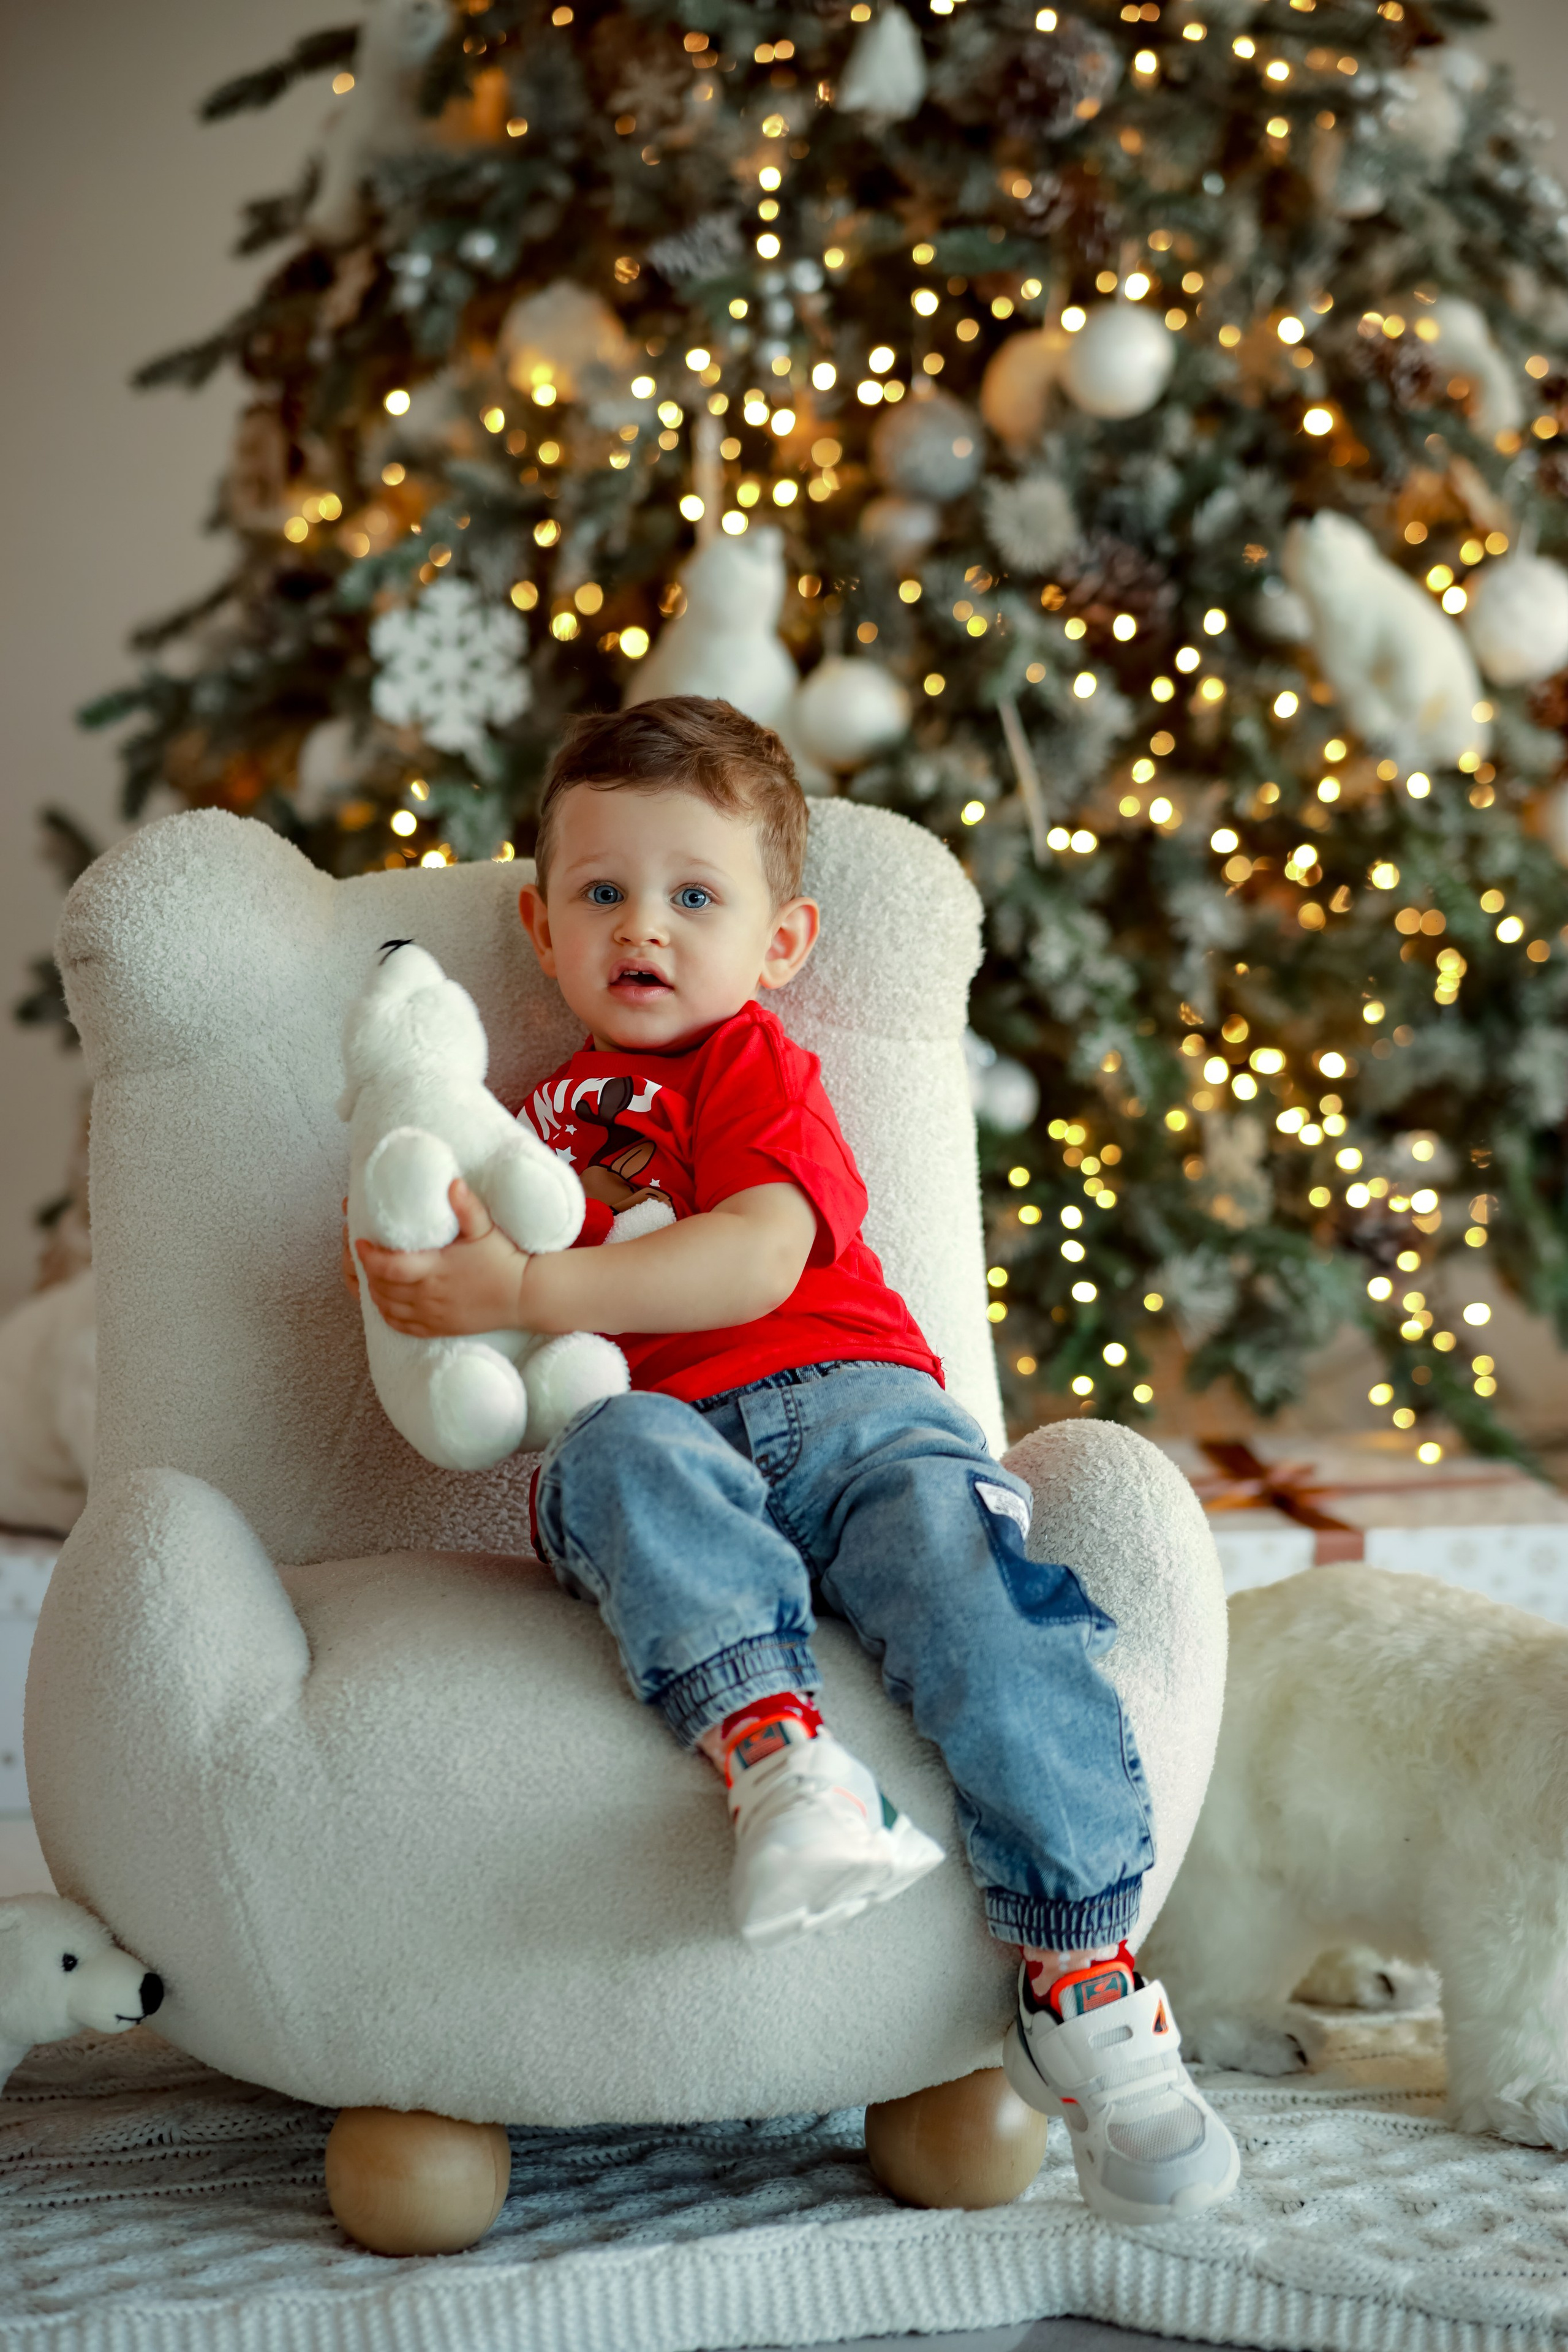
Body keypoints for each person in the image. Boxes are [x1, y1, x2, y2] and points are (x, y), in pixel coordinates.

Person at [350, 694, 1238, 2225]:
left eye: (696, 896)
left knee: (976, 1602)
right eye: (603, 893)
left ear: (778, 942)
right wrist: (431, 1258)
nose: (645, 928)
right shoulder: (531, 1114)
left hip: (859, 1412)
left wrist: (532, 1291)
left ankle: (1086, 1985)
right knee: (609, 1458)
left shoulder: (750, 1067)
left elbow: (756, 1258)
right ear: (540, 925)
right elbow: (473, 1281)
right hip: (669, 1440)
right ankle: (781, 1767)